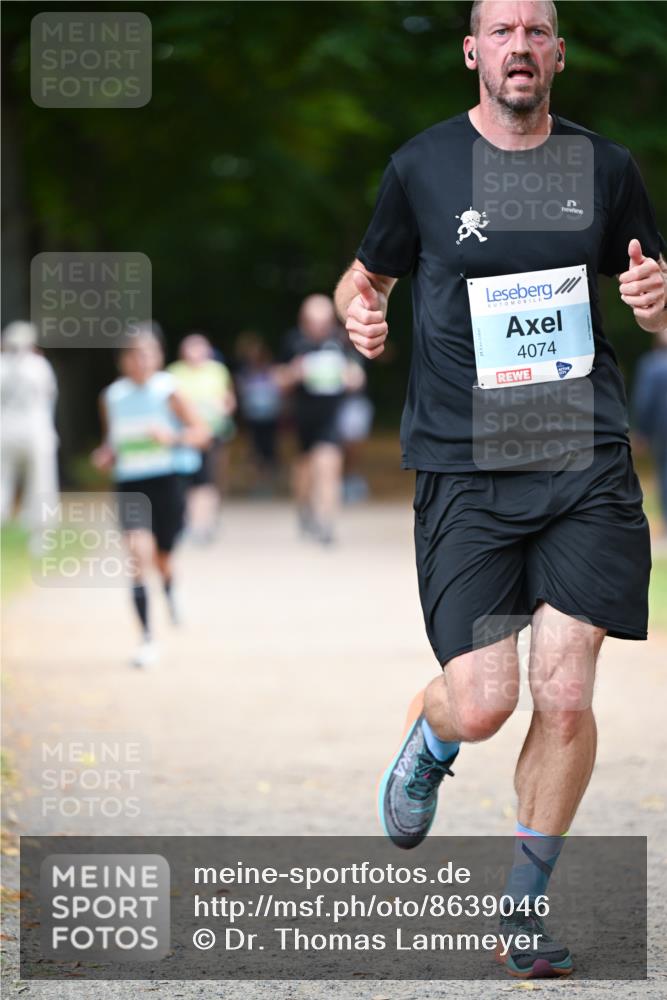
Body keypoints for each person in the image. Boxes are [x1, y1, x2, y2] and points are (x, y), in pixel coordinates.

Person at [334, 0, 666, 979]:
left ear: (558, 53)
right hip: (465, 465)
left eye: (536, 31)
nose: (519, 46)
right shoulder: (423, 166)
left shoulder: (603, 168)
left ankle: (522, 905)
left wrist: (656, 304)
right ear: (472, 51)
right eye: (502, 31)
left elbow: (652, 291)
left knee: (563, 690)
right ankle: (431, 736)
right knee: (483, 701)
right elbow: (365, 278)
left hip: (580, 457)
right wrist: (360, 315)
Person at [92, 327, 210, 667]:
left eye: (147, 353)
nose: (140, 360)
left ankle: (170, 589)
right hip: (130, 484)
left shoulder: (169, 391)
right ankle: (146, 639)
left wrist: (172, 438)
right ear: (122, 360)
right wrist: (106, 454)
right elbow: (112, 441)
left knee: (162, 557)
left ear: (158, 356)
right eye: (133, 354)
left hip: (166, 482)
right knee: (137, 556)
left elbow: (202, 434)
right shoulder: (112, 397)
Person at [278, 294, 365, 545]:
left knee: (328, 467)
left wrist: (351, 377)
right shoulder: (293, 342)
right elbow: (278, 379)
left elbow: (358, 376)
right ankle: (305, 511)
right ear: (303, 320)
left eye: (324, 321)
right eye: (313, 321)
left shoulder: (342, 341)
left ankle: (327, 522)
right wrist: (294, 373)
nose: (319, 327)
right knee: (305, 472)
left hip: (331, 417)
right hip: (302, 418)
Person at [167, 332, 236, 543]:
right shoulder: (174, 373)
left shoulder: (217, 371)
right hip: (185, 434)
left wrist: (223, 408)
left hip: (213, 433)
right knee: (186, 478)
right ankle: (189, 520)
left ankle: (206, 521)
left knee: (210, 477)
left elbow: (229, 399)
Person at [0, 321, 59, 551]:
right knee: (41, 484)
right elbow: (50, 397)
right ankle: (40, 535)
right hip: (34, 431)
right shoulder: (39, 365)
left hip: (9, 431)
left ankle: (36, 533)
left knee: (6, 481)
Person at [234, 331, 282, 493]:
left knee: (269, 451)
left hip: (270, 416)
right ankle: (256, 483)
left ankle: (268, 483)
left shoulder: (271, 369)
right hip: (252, 417)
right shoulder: (244, 371)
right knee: (254, 452)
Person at [632, 327, 667, 545]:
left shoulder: (651, 365)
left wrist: (641, 431)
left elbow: (644, 400)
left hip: (661, 429)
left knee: (664, 474)